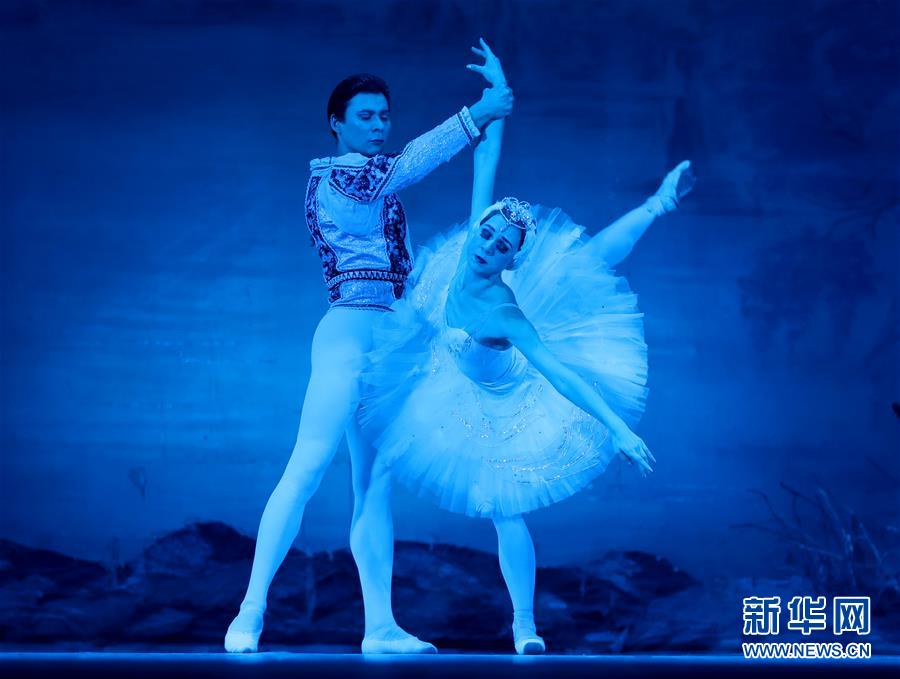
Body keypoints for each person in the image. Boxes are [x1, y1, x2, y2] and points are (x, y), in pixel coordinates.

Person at [359, 40, 694, 654]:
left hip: (505, 395)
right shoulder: (471, 242)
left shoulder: (506, 311)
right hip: (449, 373)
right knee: (379, 470)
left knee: (504, 505)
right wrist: (497, 95)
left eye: (500, 245)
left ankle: (523, 623)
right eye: (485, 233)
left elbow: (560, 374)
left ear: (513, 259)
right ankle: (378, 622)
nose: (486, 244)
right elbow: (486, 154)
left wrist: (618, 429)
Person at [224, 61, 514, 654]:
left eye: (384, 115)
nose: (379, 125)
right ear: (336, 123)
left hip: (389, 337)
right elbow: (408, 165)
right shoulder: (341, 178)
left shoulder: (376, 184)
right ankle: (250, 610)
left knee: (375, 483)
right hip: (348, 332)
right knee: (307, 465)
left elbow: (404, 263)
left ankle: (379, 625)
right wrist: (479, 113)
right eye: (365, 116)